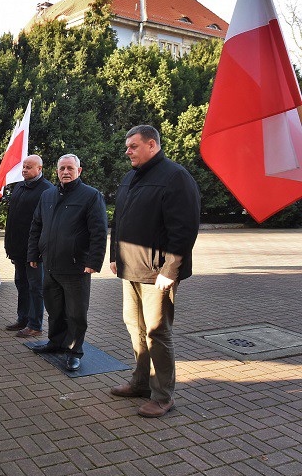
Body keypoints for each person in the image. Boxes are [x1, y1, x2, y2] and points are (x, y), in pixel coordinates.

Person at [109, 125, 200, 418]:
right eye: (127, 147)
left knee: (156, 332)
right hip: (131, 268)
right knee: (134, 327)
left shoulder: (175, 177)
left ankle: (162, 396)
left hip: (157, 273)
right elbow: (119, 219)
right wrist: (115, 256)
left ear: (152, 145)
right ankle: (139, 383)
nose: (128, 151)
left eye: (133, 146)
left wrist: (170, 270)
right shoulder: (131, 177)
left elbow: (184, 230)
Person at [27, 154, 107, 371]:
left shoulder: (91, 196)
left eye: (70, 168)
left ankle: (74, 351)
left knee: (76, 313)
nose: (66, 172)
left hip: (76, 267)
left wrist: (94, 261)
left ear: (79, 171)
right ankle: (55, 343)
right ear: (56, 171)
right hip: (50, 265)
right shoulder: (47, 196)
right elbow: (36, 226)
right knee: (54, 309)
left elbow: (98, 231)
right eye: (62, 168)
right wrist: (33, 255)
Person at [3, 155, 54, 337]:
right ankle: (22, 319)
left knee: (35, 287)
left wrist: (40, 250)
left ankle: (35, 325)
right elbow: (13, 218)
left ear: (39, 169)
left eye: (29, 167)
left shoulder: (47, 190)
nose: (24, 170)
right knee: (21, 284)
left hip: (35, 251)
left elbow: (47, 223)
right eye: (23, 166)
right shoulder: (19, 186)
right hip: (18, 248)